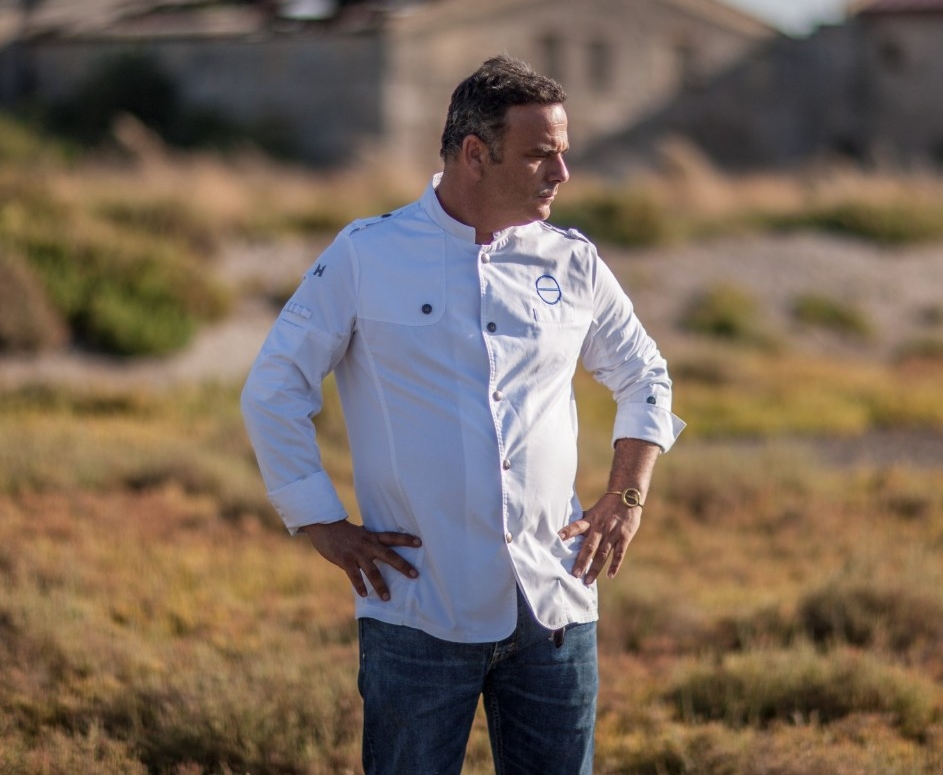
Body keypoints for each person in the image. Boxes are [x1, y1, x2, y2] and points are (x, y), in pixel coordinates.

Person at [241, 55, 684, 774]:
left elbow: (645, 375)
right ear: (476, 154)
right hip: (420, 608)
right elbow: (273, 387)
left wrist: (627, 496)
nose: (562, 173)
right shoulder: (366, 254)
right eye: (541, 154)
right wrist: (318, 519)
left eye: (564, 153)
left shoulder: (572, 261)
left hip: (556, 606)